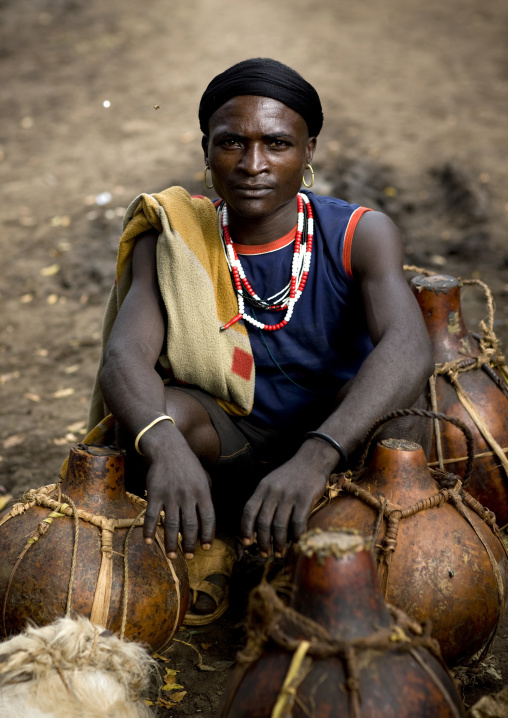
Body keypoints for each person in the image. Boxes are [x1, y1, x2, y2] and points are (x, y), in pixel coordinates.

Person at [94, 58, 434, 623]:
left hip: (339, 439)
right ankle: (213, 544)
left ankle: (359, 550)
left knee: (404, 417)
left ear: (309, 152)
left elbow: (407, 345)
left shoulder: (359, 233)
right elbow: (123, 355)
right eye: (232, 143)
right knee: (153, 417)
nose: (253, 164)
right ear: (206, 151)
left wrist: (316, 456)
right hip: (237, 436)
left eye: (277, 143)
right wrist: (166, 447)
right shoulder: (176, 237)